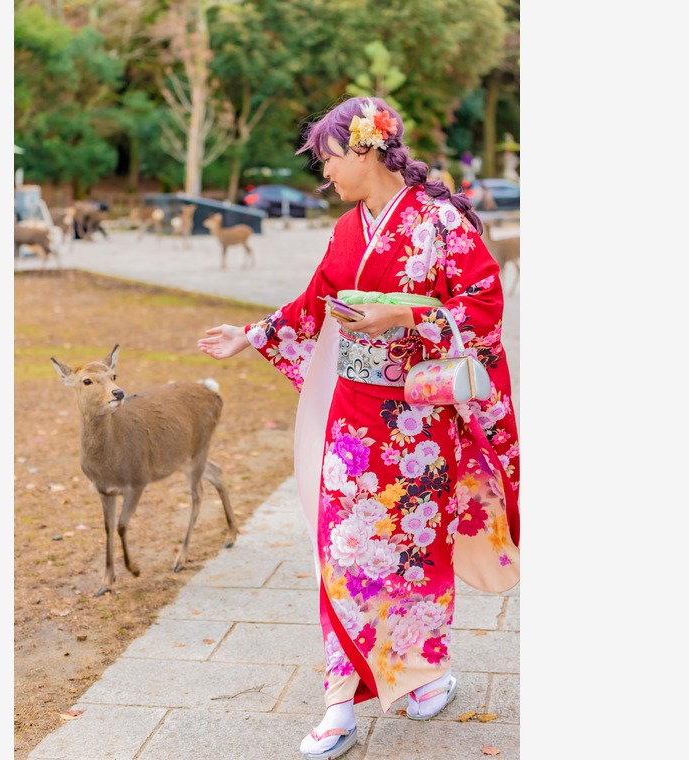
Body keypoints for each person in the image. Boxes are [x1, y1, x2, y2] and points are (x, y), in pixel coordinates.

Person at [197, 96, 520, 760]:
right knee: (342, 555)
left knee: (414, 557)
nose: (326, 174)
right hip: (354, 421)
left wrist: (402, 318)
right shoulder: (349, 229)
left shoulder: (439, 222)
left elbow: (485, 303)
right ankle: (339, 702)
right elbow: (314, 302)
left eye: (330, 158)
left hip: (418, 426)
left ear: (367, 149)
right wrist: (251, 334)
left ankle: (425, 673)